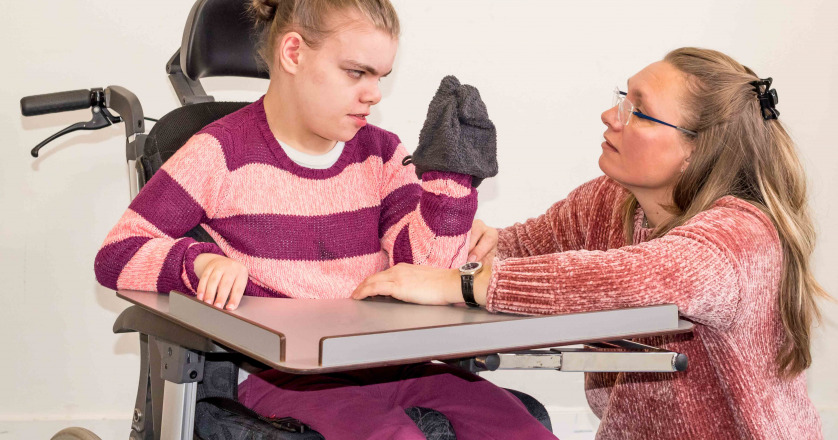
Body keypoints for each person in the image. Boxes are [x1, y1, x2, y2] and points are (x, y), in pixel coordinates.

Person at [94, 0, 554, 438]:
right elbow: (118, 252)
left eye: (381, 76)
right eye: (356, 72)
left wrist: (449, 190)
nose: (373, 93)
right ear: (292, 52)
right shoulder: (219, 153)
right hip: (283, 378)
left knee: (516, 426)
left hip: (392, 363)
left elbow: (423, 270)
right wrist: (198, 263)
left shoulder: (381, 153)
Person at [353, 47, 827, 439]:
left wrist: (462, 282)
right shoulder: (611, 201)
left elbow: (634, 277)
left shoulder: (742, 238)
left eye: (637, 111)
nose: (609, 115)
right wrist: (481, 242)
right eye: (622, 97)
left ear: (695, 151)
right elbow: (528, 248)